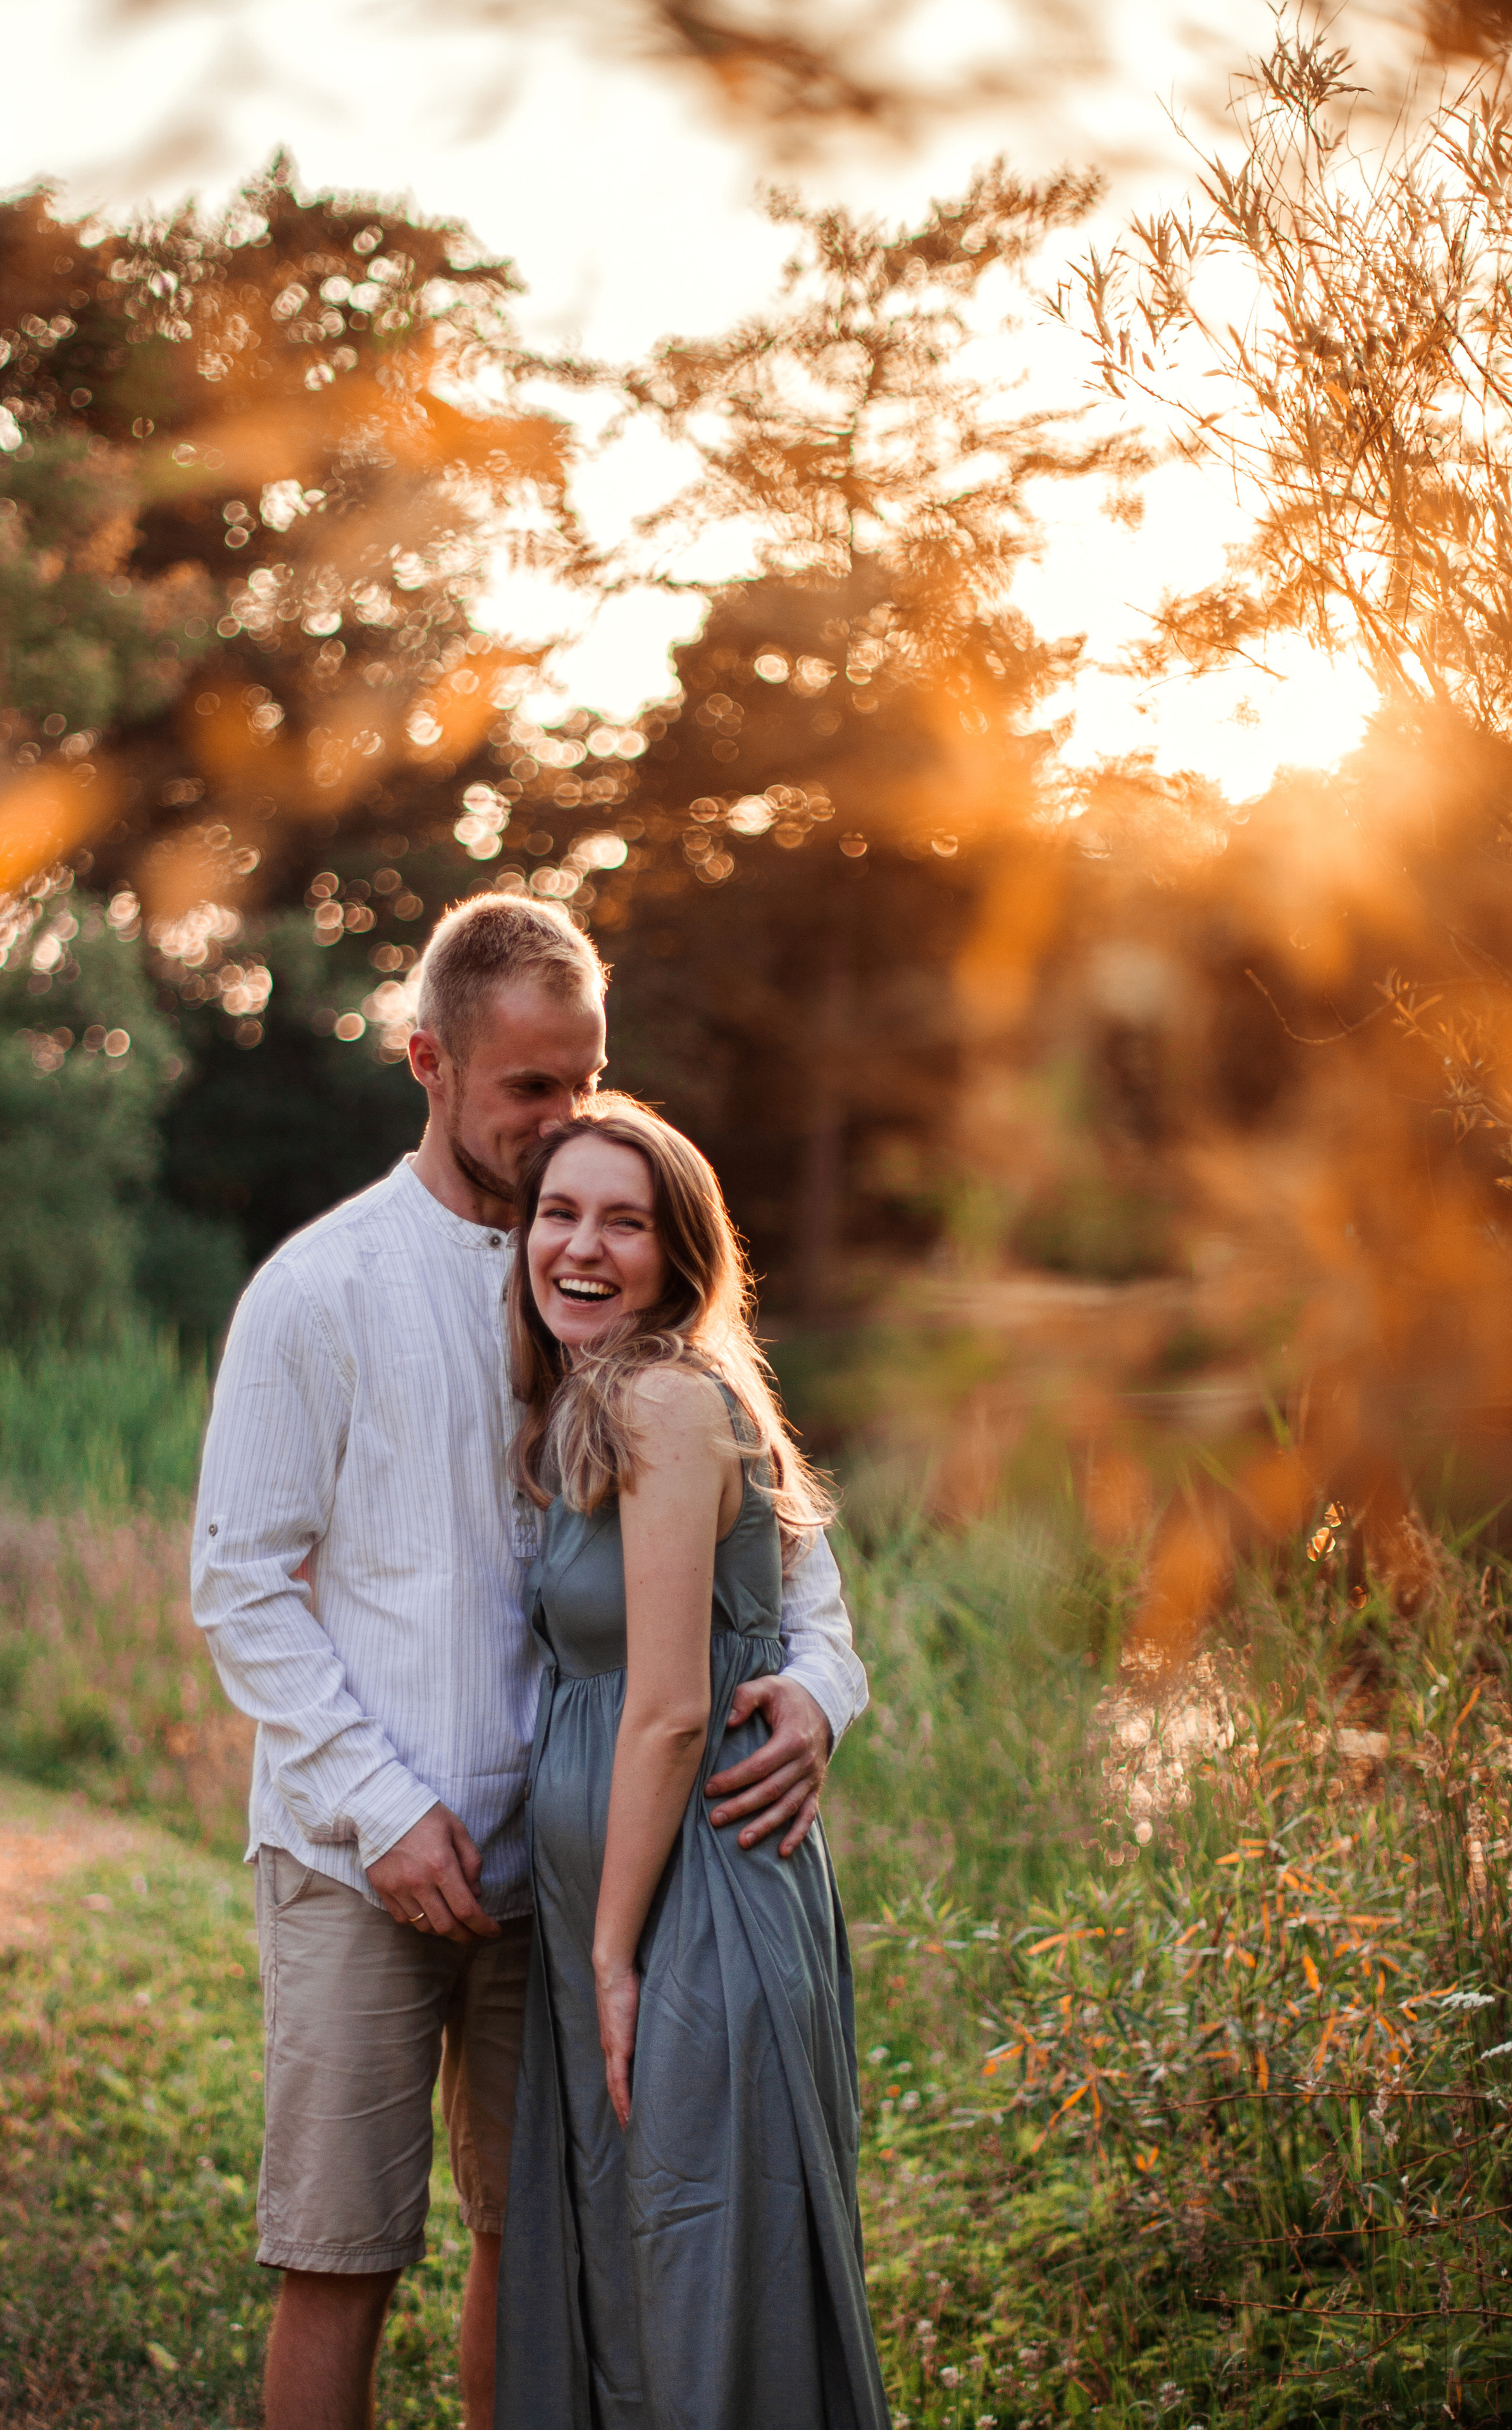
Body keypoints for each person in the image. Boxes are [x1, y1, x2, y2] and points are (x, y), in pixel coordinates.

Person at [191, 894, 869, 2430]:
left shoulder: (615, 1284)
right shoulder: (323, 1291)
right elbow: (238, 1587)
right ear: (428, 1064)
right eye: (530, 1091)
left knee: (541, 2234)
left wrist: (821, 1693)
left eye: (587, 1077)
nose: (572, 1117)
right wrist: (381, 1807)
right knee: (340, 2250)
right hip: (359, 1853)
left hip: (565, 1872)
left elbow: (791, 1554)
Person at [495, 1097, 890, 2430]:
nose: (582, 1246)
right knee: (644, 2271)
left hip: (689, 1910)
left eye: (624, 1221)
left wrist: (609, 1955)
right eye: (559, 1213)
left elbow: (667, 1711)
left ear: (678, 1256)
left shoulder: (665, 1402)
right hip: (617, 1907)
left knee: (708, 2273)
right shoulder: (592, 1409)